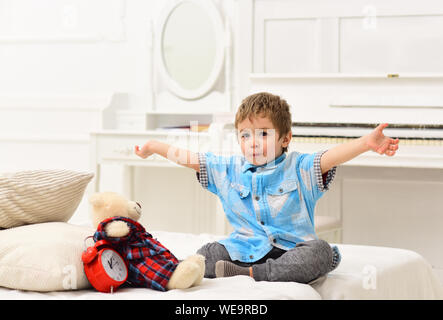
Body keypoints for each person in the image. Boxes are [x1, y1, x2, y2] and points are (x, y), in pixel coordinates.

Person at [135, 92, 399, 284]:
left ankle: (254, 276)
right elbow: (190, 158)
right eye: (245, 134)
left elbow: (331, 156)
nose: (253, 142)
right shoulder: (229, 169)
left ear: (285, 138)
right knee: (208, 252)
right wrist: (154, 147)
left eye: (263, 133)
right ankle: (190, 272)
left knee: (321, 252)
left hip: (290, 251)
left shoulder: (300, 168)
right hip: (244, 250)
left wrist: (366, 143)